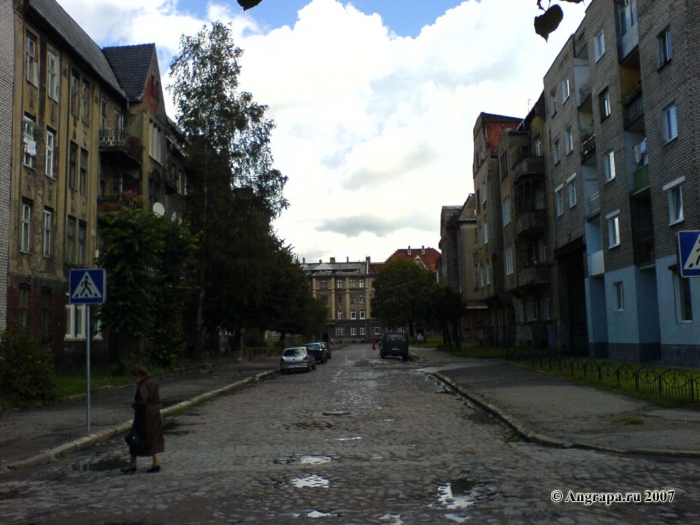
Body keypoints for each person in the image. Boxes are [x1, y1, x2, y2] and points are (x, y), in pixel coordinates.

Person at [121, 366, 164, 474]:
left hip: (144, 414)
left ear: (140, 376)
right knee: (152, 437)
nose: (133, 380)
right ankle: (156, 462)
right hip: (154, 412)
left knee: (135, 437)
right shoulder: (152, 383)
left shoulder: (143, 385)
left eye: (134, 377)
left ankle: (133, 464)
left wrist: (135, 404)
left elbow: (142, 400)